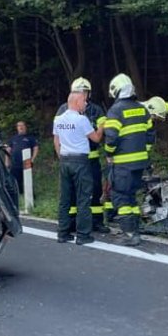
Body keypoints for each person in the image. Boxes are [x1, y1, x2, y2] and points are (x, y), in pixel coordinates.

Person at [55, 77, 108, 234]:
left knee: (96, 191)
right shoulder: (63, 110)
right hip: (76, 160)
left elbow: (104, 132)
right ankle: (72, 223)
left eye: (85, 92)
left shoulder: (96, 110)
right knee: (72, 193)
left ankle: (97, 221)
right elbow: (57, 139)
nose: (83, 95)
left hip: (91, 160)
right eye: (80, 92)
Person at [103, 74, 151, 246]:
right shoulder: (143, 109)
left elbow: (111, 138)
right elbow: (150, 136)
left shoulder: (115, 111)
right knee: (131, 197)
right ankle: (135, 231)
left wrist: (108, 154)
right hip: (140, 164)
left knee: (120, 196)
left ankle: (129, 235)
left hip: (123, 164)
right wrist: (143, 155)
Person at [4, 120, 39, 200]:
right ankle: (17, 197)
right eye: (19, 126)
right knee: (14, 182)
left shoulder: (30, 138)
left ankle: (31, 198)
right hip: (15, 163)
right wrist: (7, 162)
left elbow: (36, 148)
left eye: (22, 125)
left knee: (28, 180)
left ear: (25, 127)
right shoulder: (13, 139)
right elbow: (8, 150)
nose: (21, 127)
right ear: (17, 128)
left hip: (26, 162)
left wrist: (32, 159)